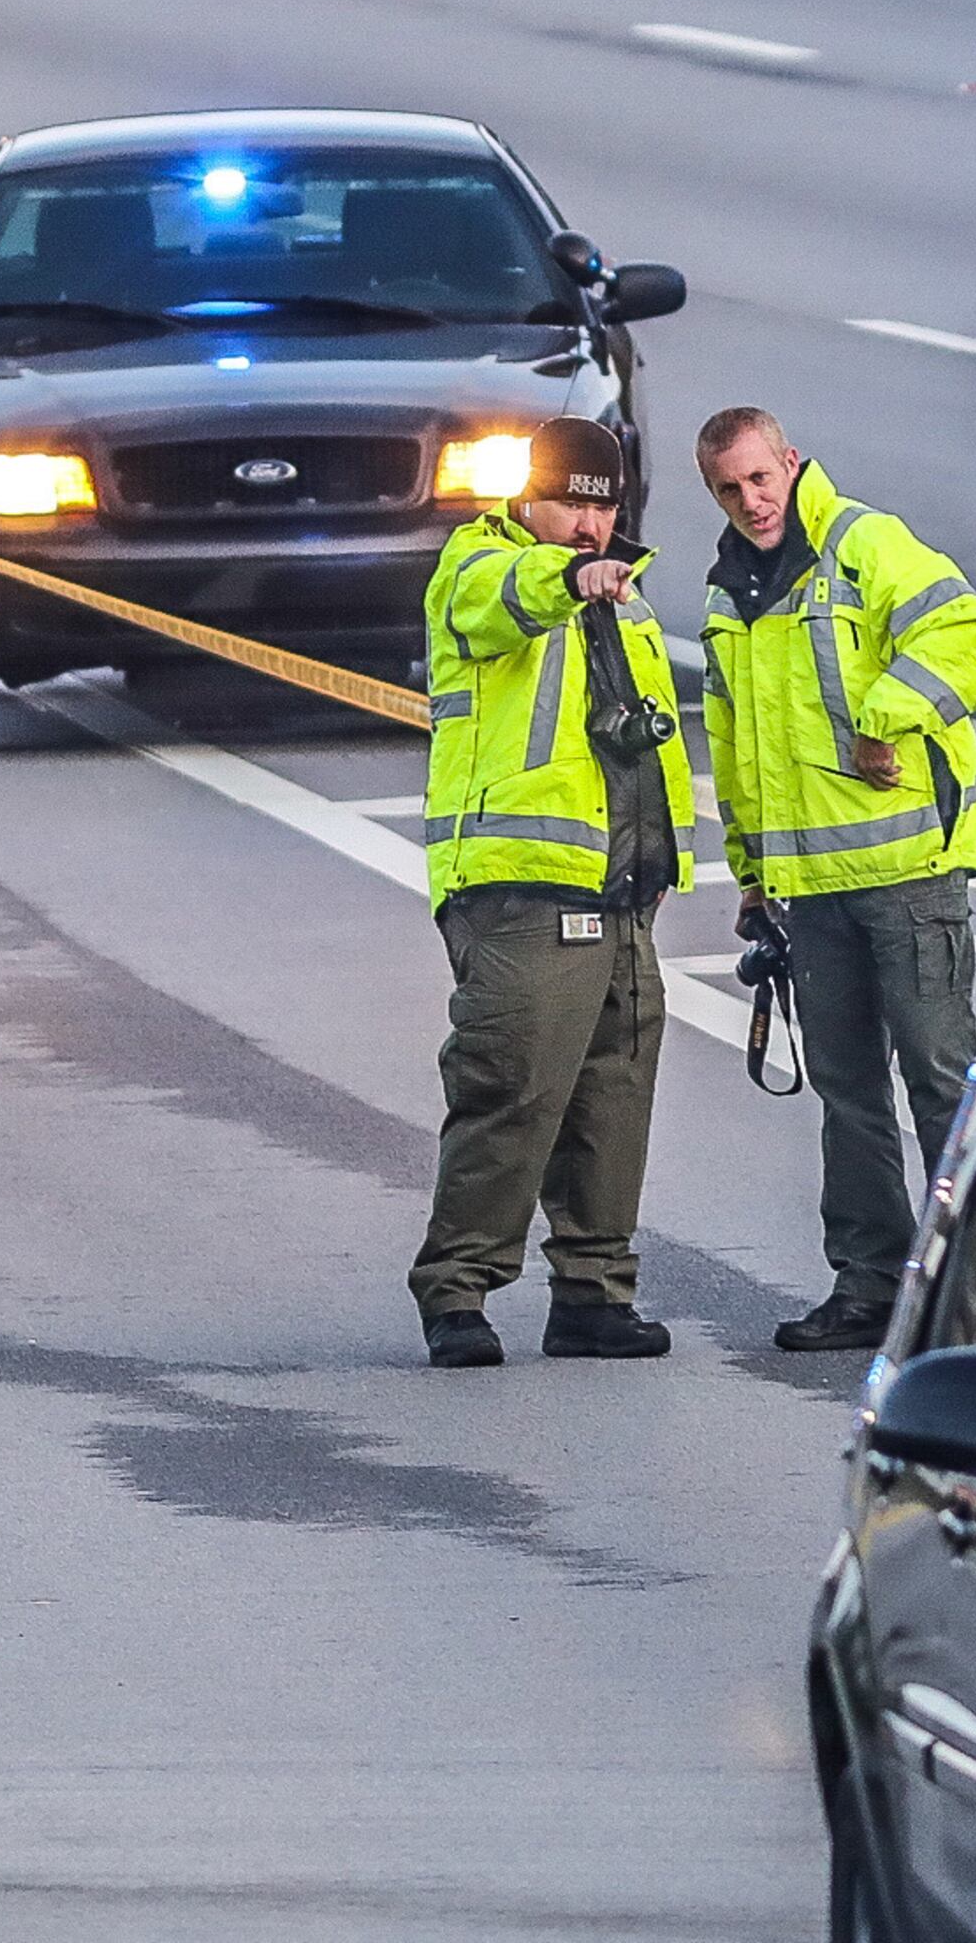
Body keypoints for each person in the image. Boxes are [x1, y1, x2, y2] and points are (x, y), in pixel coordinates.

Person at [693, 407, 976, 1352]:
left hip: (909, 872)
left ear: (790, 463)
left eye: (760, 478)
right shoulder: (728, 596)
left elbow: (964, 632)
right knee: (847, 1093)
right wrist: (753, 877)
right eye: (729, 488)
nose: (751, 500)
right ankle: (871, 1283)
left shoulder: (861, 544)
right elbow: (735, 751)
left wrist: (885, 717)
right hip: (811, 888)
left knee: (939, 1080)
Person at [409, 416, 696, 1369]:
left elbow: (645, 746)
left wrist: (666, 864)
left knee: (613, 1100)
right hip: (521, 885)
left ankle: (594, 1293)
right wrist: (572, 579)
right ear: (528, 498)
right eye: (569, 503)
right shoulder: (481, 565)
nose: (587, 523)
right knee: (511, 1088)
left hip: (622, 891)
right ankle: (457, 1291)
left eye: (602, 507)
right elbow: (506, 600)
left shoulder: (627, 601)